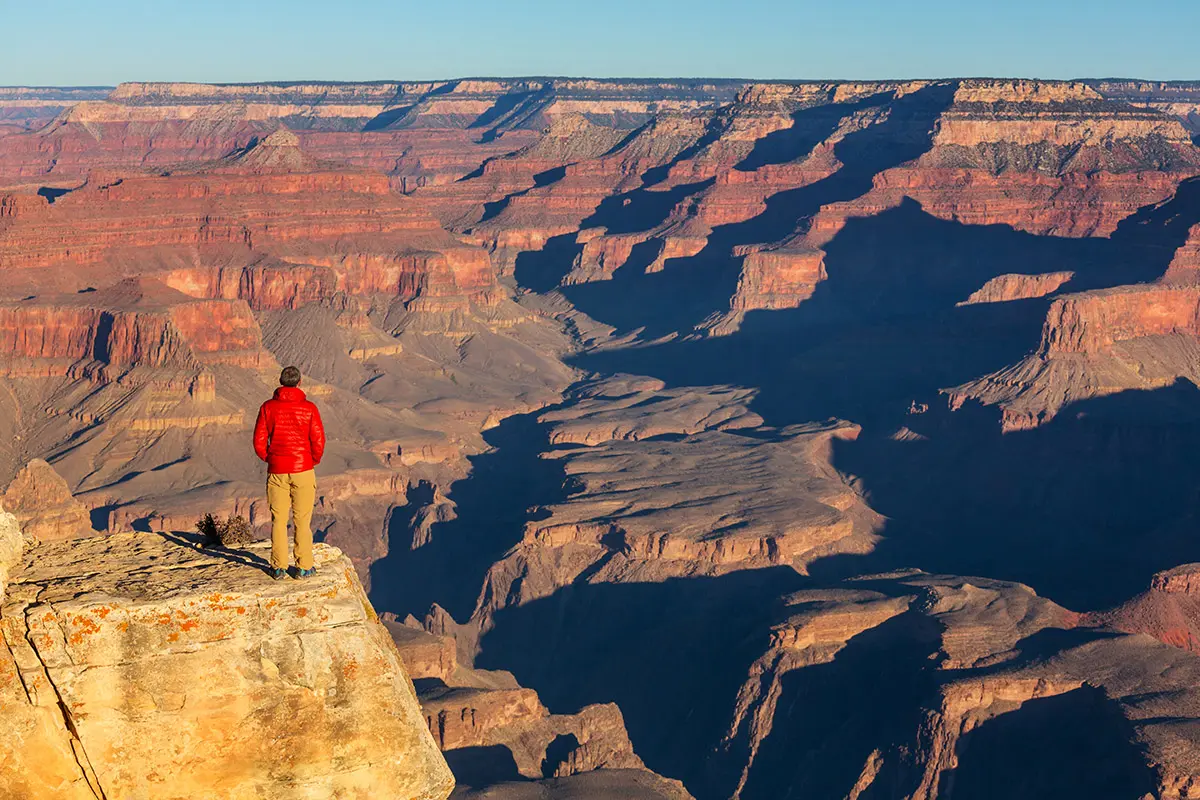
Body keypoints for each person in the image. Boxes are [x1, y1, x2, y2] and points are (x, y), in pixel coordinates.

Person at [253, 366, 326, 580]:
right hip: (303, 470)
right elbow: (319, 441)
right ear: (300, 382)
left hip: (277, 472)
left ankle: (278, 568)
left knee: (279, 519)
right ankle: (303, 567)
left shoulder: (267, 407)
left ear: (280, 382)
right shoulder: (309, 408)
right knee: (302, 521)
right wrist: (311, 461)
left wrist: (271, 458)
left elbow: (258, 441)